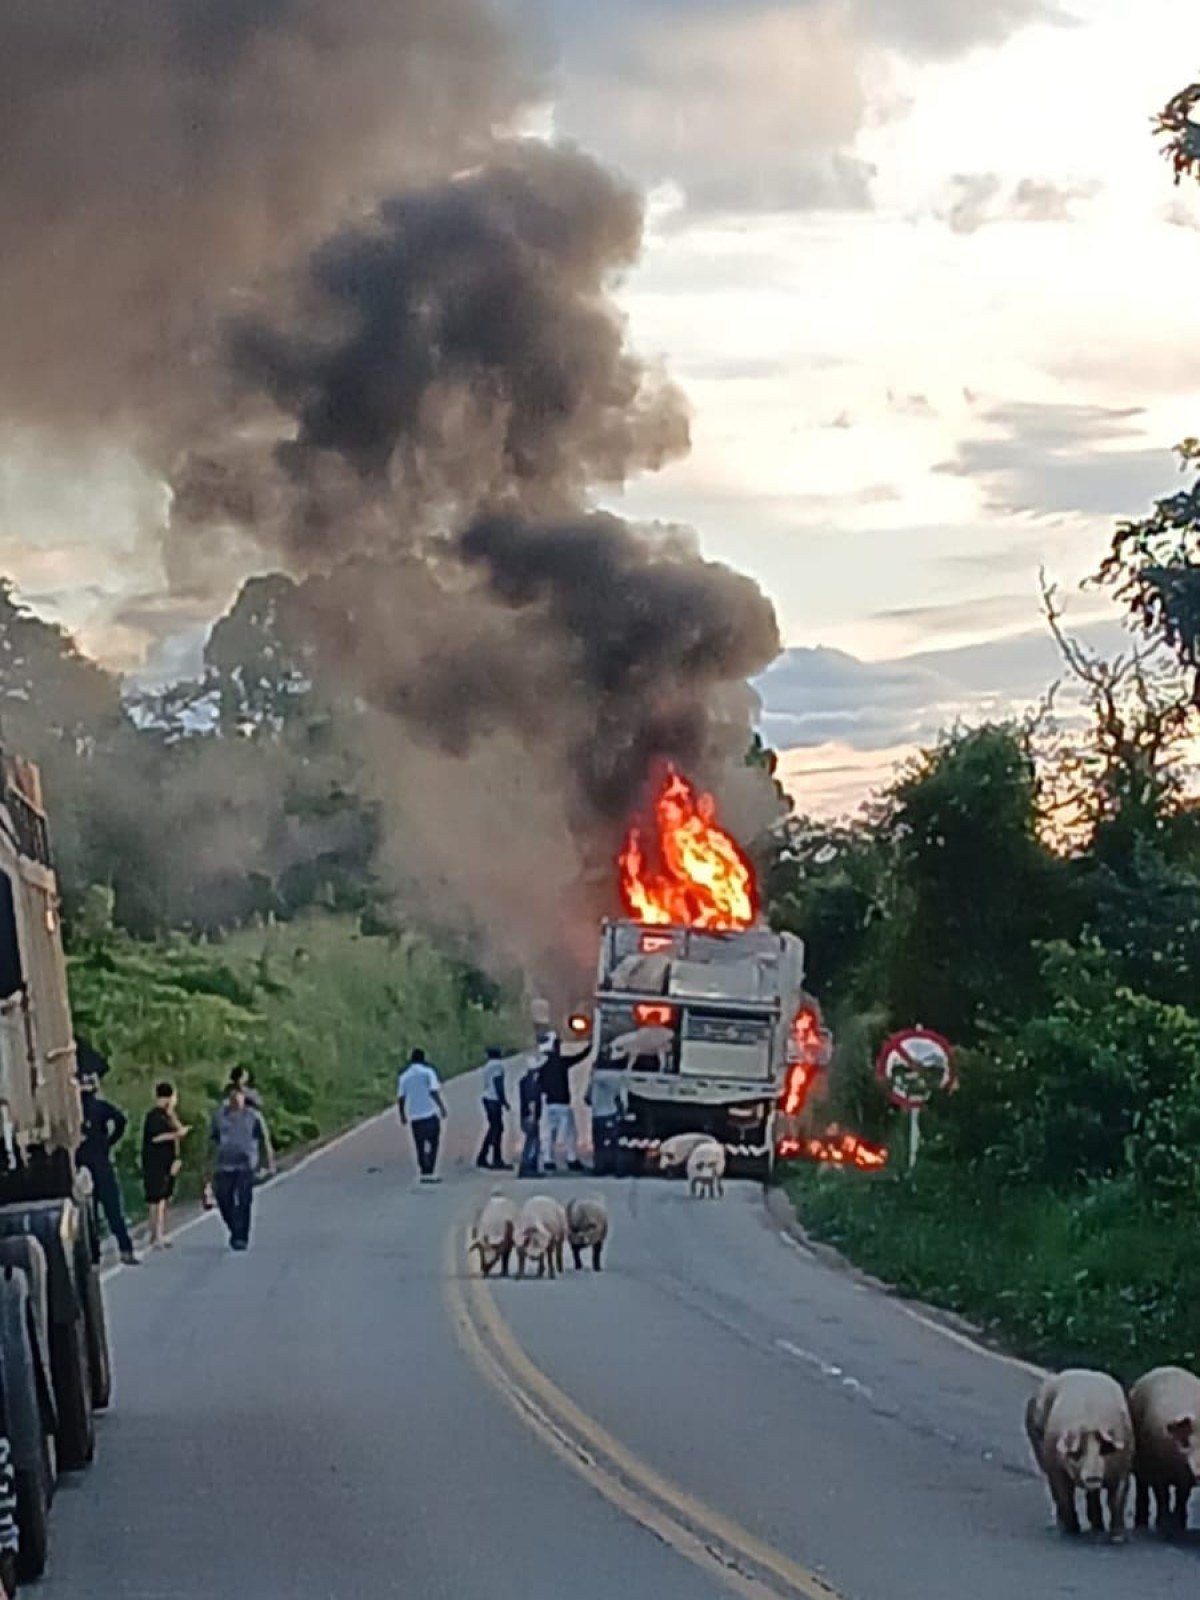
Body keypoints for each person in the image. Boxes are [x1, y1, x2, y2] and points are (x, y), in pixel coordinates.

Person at [77, 1072, 138, 1265]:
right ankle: (125, 1249)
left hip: (81, 1165)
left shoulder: (75, 1111)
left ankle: (94, 1256)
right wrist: (109, 1141)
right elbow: (121, 1120)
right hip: (101, 1162)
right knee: (113, 1209)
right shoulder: (100, 1107)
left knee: (89, 1214)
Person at [209, 1081, 275, 1251]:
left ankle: (241, 1237)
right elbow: (212, 1142)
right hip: (224, 1165)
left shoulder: (253, 1116)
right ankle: (234, 1229)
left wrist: (269, 1164)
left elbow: (264, 1141)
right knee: (224, 1200)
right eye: (232, 1096)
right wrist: (207, 1170)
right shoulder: (219, 1117)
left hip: (246, 1165)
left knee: (244, 1201)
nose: (236, 1099)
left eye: (238, 1095)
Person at [141, 1082, 189, 1250]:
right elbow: (155, 1138)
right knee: (157, 1200)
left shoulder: (167, 1115)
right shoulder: (154, 1116)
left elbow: (177, 1128)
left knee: (163, 1199)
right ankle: (155, 1235)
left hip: (167, 1163)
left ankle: (158, 1233)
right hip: (155, 1163)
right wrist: (175, 1134)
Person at [538, 1026, 591, 1174]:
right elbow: (578, 1057)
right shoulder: (561, 1062)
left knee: (550, 1133)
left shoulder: (542, 1065)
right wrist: (591, 1047)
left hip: (549, 1104)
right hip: (563, 1104)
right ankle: (571, 1159)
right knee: (570, 1133)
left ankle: (548, 1160)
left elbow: (539, 1085)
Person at [397, 1047, 448, 1184]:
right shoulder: (428, 1072)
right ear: (423, 1059)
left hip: (415, 1116)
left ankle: (424, 1169)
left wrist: (402, 1114)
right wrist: (442, 1107)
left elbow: (401, 1098)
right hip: (430, 1113)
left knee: (419, 1145)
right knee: (434, 1142)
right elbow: (433, 1091)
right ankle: (430, 1168)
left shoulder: (404, 1077)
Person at [476, 1047, 512, 1171]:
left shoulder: (487, 1066)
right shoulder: (498, 1066)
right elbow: (498, 1083)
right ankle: (494, 1158)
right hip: (494, 1100)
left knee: (495, 1128)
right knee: (496, 1129)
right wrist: (504, 1101)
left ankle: (485, 1157)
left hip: (487, 1098)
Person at [585, 1071, 626, 1178]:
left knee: (599, 1144)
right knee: (613, 1143)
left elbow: (587, 1099)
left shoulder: (593, 1080)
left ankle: (599, 1167)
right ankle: (615, 1168)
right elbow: (620, 1098)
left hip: (597, 1115)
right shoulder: (617, 1078)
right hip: (610, 1113)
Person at [517, 1055, 544, 1178]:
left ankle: (526, 1166)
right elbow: (532, 1100)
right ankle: (529, 1167)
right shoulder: (533, 1083)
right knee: (533, 1142)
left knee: (530, 1141)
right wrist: (533, 1116)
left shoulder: (523, 1081)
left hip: (524, 1115)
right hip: (530, 1116)